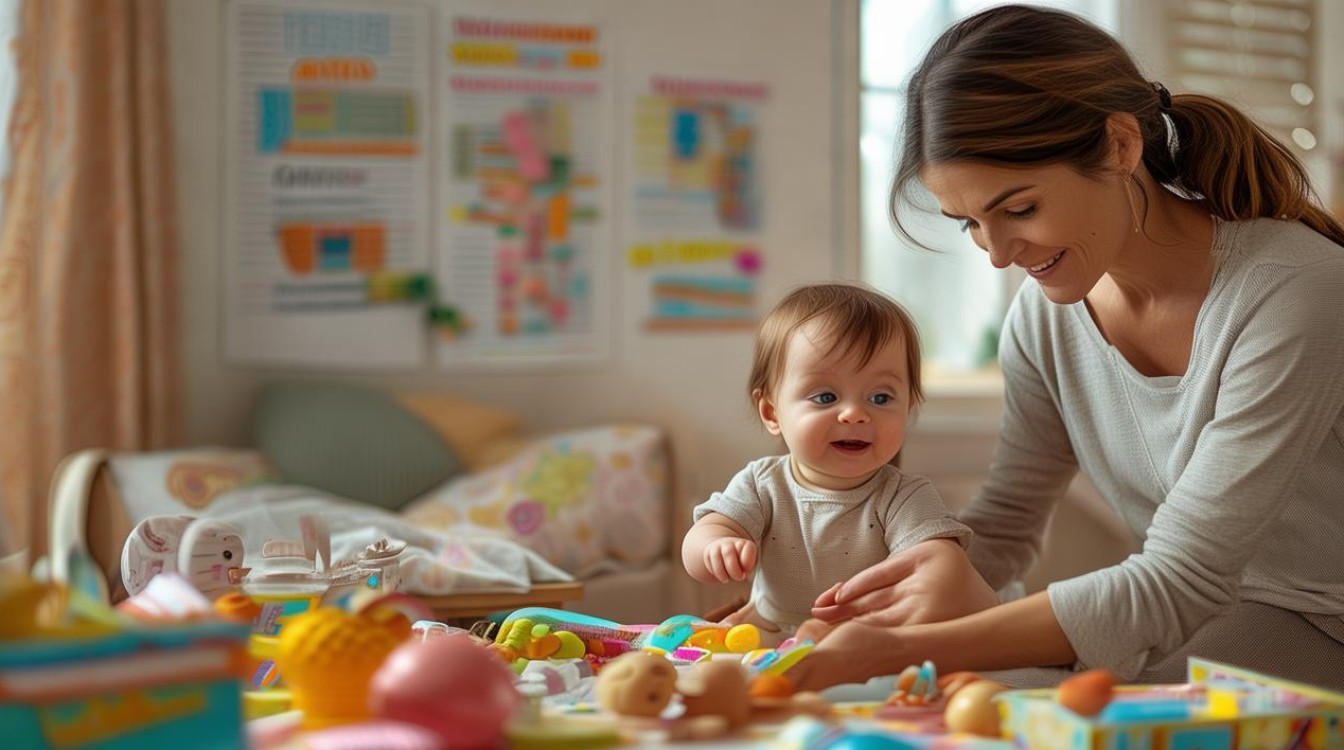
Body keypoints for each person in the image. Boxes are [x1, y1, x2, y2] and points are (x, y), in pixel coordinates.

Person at [787, 4, 1344, 692]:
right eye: (970, 225)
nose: (996, 255)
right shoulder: (1045, 319)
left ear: (1119, 146)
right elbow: (1005, 523)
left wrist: (883, 652)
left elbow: (1180, 578)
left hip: (1322, 623)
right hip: (1198, 614)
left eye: (1019, 210)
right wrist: (873, 604)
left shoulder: (1293, 292)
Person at [682, 283, 998, 641]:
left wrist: (941, 570)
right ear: (773, 412)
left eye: (880, 397)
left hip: (864, 640)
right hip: (768, 633)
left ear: (908, 409)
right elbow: (702, 536)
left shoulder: (903, 496)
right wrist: (715, 546)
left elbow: (935, 562)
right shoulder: (762, 483)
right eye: (826, 397)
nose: (854, 414)